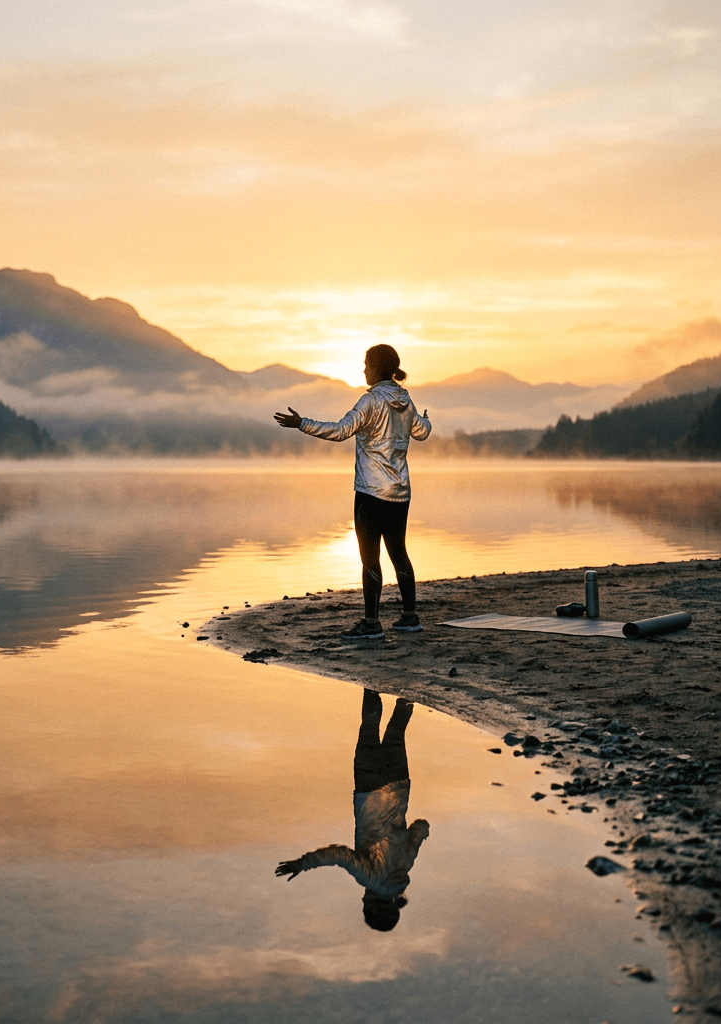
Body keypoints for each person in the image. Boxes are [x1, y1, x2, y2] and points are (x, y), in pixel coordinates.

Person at [274, 343, 431, 638]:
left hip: (371, 493)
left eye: (367, 365)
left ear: (378, 368)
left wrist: (301, 424)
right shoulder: (405, 400)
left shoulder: (370, 402)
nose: (363, 370)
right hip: (400, 492)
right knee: (399, 552)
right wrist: (426, 417)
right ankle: (410, 617)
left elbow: (340, 431)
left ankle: (371, 624)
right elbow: (422, 432)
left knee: (370, 557)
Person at [275, 692, 429, 932]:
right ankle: (370, 681)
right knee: (369, 729)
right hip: (369, 791)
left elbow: (421, 827)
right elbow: (340, 855)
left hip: (399, 786)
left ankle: (407, 690)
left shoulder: (405, 867)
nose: (362, 899)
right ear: (372, 905)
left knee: (397, 731)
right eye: (364, 905)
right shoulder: (370, 878)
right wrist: (301, 864)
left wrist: (409, 831)